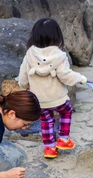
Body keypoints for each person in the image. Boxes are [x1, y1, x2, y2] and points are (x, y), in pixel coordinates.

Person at [17, 18, 87, 159]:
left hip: (40, 100)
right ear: (57, 36)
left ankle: (49, 148)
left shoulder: (30, 54)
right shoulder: (59, 56)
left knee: (46, 121)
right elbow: (65, 76)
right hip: (58, 97)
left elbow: (23, 76)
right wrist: (80, 78)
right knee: (66, 112)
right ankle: (63, 138)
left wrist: (23, 86)